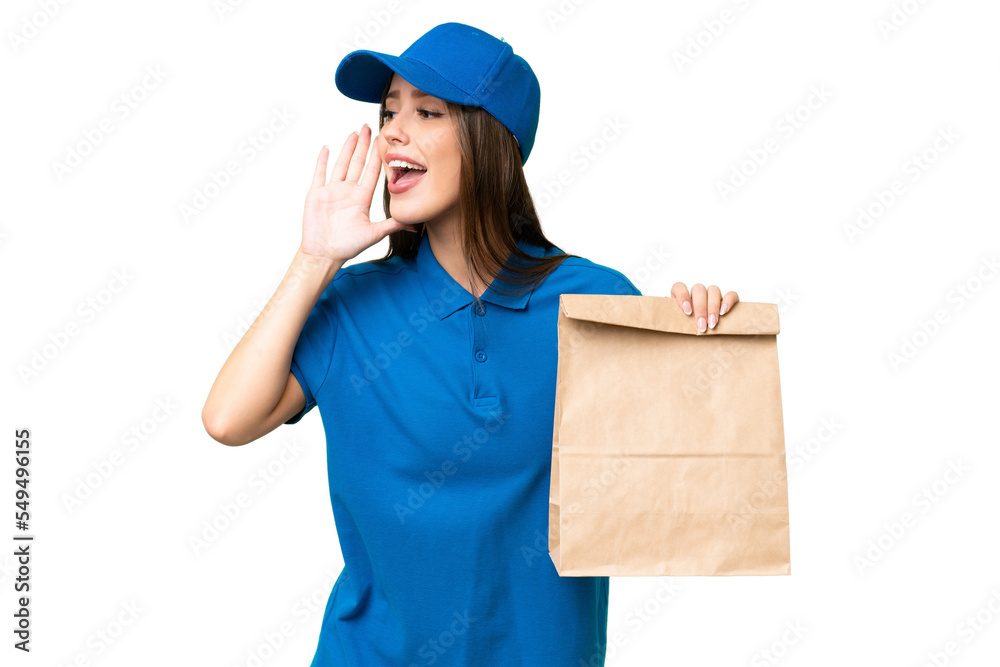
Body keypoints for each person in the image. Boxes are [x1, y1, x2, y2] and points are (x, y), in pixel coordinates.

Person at [202, 21, 739, 666]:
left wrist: (703, 341)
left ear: (493, 143)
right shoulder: (350, 303)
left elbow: (675, 485)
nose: (393, 131)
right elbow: (228, 421)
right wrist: (314, 258)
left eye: (427, 111)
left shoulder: (596, 299)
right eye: (388, 111)